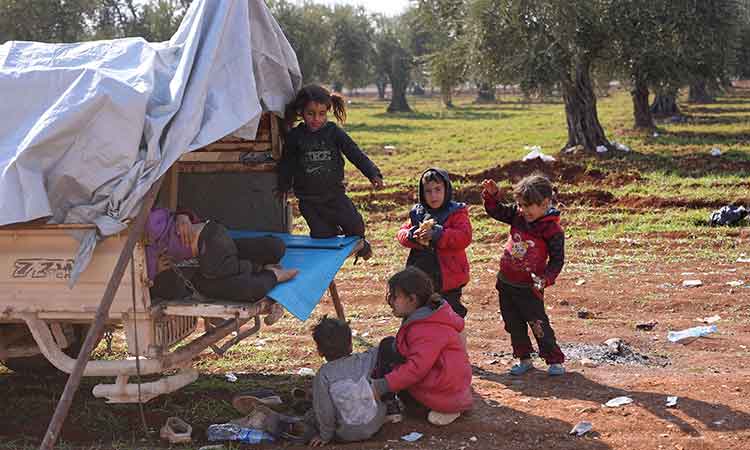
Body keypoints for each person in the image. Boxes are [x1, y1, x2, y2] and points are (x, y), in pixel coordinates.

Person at [277, 84, 383, 260]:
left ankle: (362, 246)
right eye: (311, 113)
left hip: (335, 196)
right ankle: (329, 257)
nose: (316, 119)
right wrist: (283, 186)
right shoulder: (295, 137)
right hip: (309, 201)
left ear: (327, 111)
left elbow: (354, 152)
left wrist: (372, 173)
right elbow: (287, 163)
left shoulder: (334, 132)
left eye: (321, 114)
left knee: (356, 227)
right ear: (301, 112)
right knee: (322, 237)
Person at [144, 208, 298, 324]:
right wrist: (153, 270)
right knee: (252, 288)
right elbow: (143, 285)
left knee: (274, 246)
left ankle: (260, 270)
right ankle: (271, 274)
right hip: (199, 277)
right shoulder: (140, 254)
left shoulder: (148, 222)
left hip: (211, 250)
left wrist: (183, 216)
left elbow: (168, 213)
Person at [481, 173, 566, 376]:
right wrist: (492, 196)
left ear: (545, 203)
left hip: (530, 287)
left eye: (528, 206)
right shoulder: (518, 215)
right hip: (506, 282)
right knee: (513, 324)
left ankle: (554, 360)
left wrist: (546, 279)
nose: (523, 210)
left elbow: (557, 261)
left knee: (538, 324)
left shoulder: (552, 230)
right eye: (520, 204)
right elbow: (496, 211)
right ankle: (524, 358)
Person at [371, 267, 472, 427]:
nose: (390, 301)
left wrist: (382, 385)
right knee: (388, 347)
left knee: (408, 398)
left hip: (442, 390)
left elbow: (416, 368)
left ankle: (447, 409)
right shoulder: (429, 315)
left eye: (395, 297)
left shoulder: (426, 329)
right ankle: (445, 405)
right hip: (446, 384)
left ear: (412, 299)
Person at [396, 168, 472, 318]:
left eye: (438, 189)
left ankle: (455, 341)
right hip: (421, 276)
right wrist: (412, 235)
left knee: (451, 316)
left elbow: (464, 237)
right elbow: (401, 233)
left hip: (448, 279)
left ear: (447, 189)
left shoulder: (456, 212)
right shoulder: (418, 213)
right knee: (419, 314)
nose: (433, 195)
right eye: (428, 191)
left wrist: (438, 234)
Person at [307, 317, 389, 447]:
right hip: (375, 425)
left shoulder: (323, 375)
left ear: (319, 351)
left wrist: (325, 436)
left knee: (312, 414)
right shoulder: (365, 359)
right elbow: (383, 347)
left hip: (346, 434)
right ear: (350, 345)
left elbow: (324, 411)